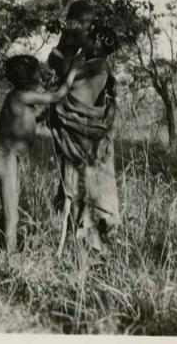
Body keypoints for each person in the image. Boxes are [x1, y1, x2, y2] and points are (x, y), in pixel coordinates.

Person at [0, 51, 84, 261]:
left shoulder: (19, 98)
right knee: (13, 215)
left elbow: (30, 118)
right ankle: (11, 263)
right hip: (5, 155)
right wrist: (73, 71)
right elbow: (56, 96)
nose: (42, 77)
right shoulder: (21, 96)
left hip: (3, 155)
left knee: (7, 212)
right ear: (28, 78)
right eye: (38, 73)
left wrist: (44, 116)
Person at [48, 20, 121, 265]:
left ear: (99, 42)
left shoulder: (98, 67)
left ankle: (88, 260)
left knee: (86, 198)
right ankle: (86, 256)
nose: (85, 41)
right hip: (89, 145)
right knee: (84, 198)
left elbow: (74, 102)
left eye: (90, 37)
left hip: (87, 145)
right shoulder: (91, 65)